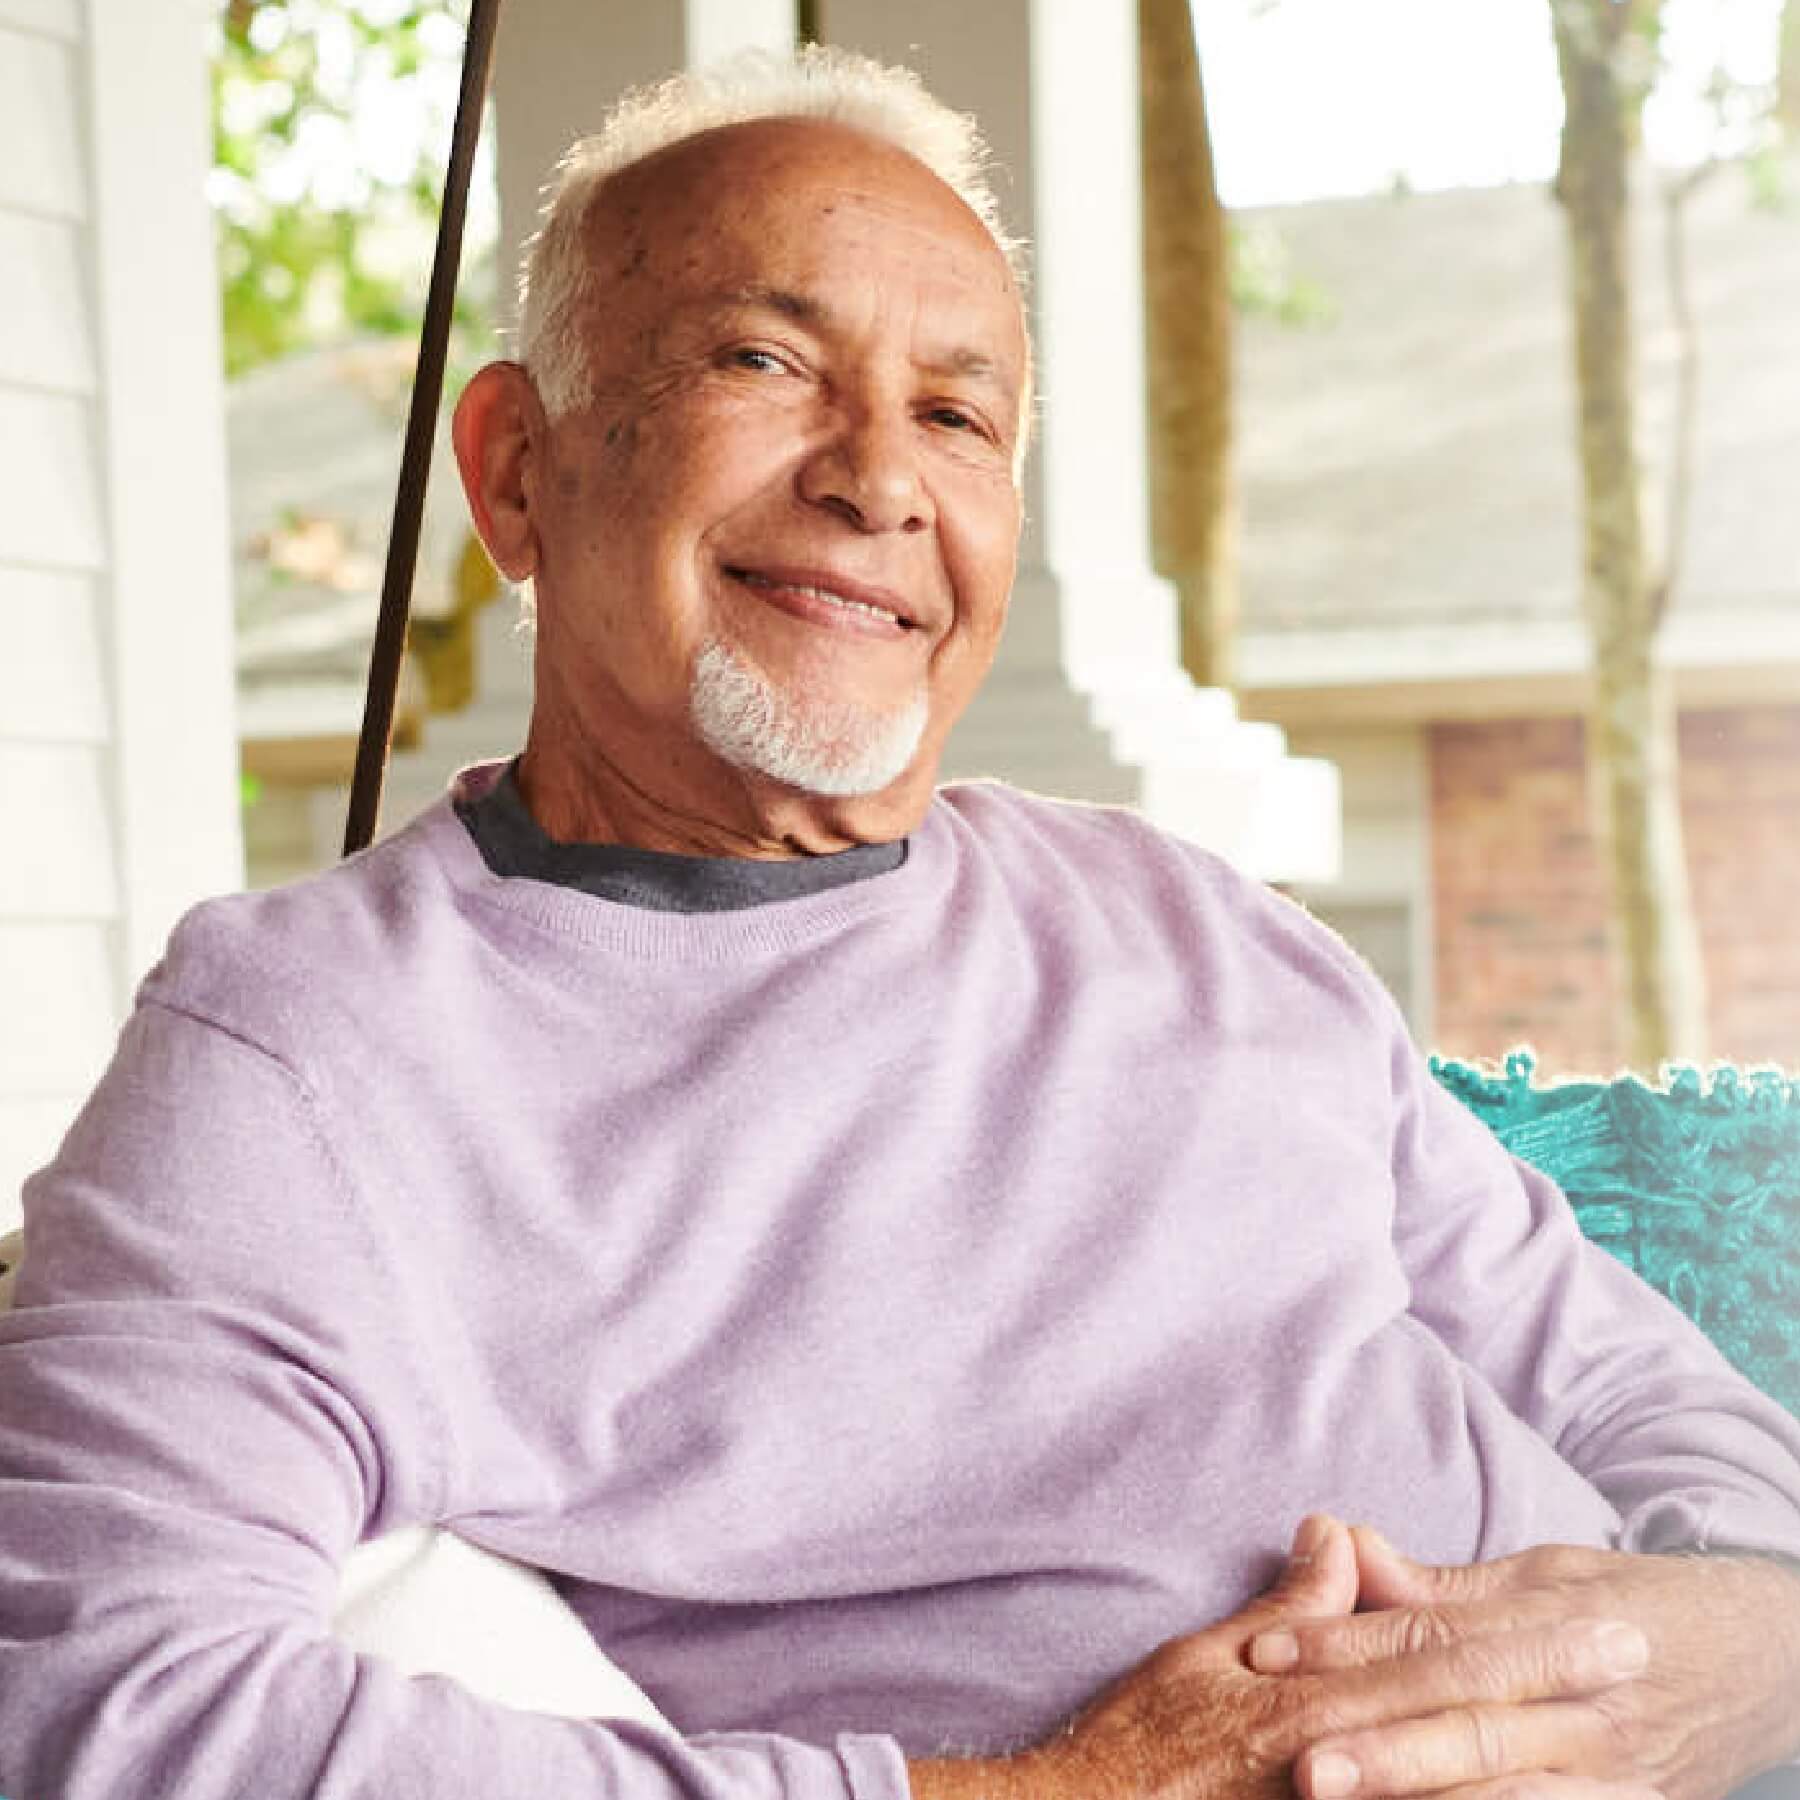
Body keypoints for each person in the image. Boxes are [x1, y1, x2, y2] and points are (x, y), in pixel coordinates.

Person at [2, 44, 1798, 1800]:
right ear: (517, 471)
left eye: (958, 412)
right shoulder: (315, 1053)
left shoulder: (1195, 922)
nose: (882, 478)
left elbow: (1649, 1396)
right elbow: (93, 1698)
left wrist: (1717, 1666)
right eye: (765, 358)